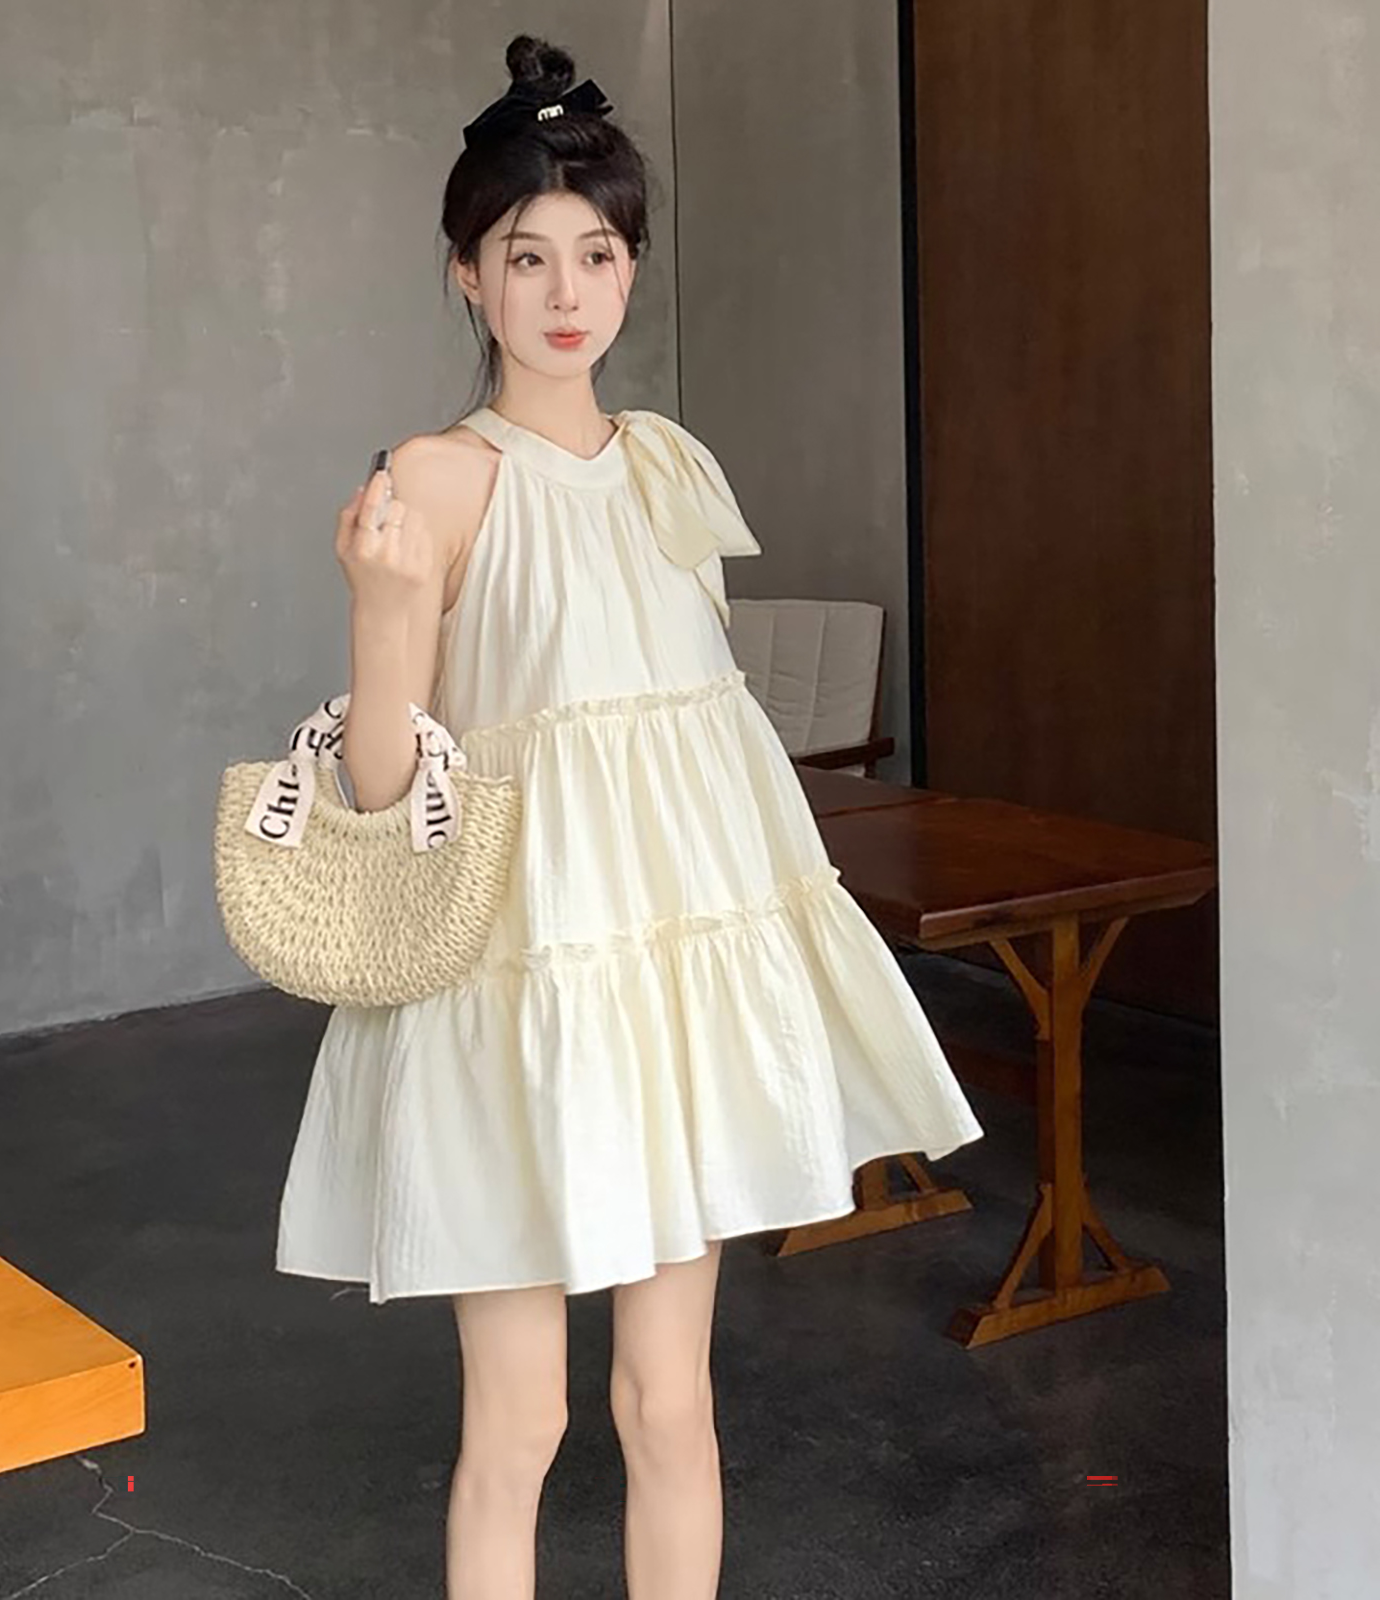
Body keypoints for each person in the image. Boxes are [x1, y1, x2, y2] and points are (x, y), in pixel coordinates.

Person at [276, 33, 985, 1600]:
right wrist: (383, 614)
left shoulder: (667, 468)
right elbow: (386, 792)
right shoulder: (437, 478)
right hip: (513, 988)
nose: (565, 291)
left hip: (671, 995)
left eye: (595, 252)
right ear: (466, 273)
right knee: (517, 1424)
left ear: (632, 266)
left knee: (673, 1406)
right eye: (526, 255)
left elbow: (690, 743)